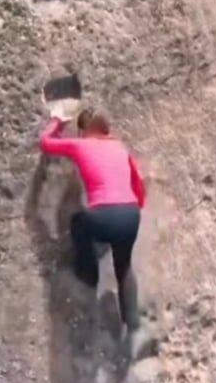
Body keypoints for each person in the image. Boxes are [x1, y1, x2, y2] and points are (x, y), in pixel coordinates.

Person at [38, 103, 146, 327]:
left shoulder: (81, 145)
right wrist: (135, 208)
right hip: (131, 215)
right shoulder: (120, 148)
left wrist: (56, 122)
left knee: (79, 222)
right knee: (123, 265)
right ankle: (133, 323)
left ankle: (88, 278)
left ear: (84, 130)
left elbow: (46, 143)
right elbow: (138, 183)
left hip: (104, 217)